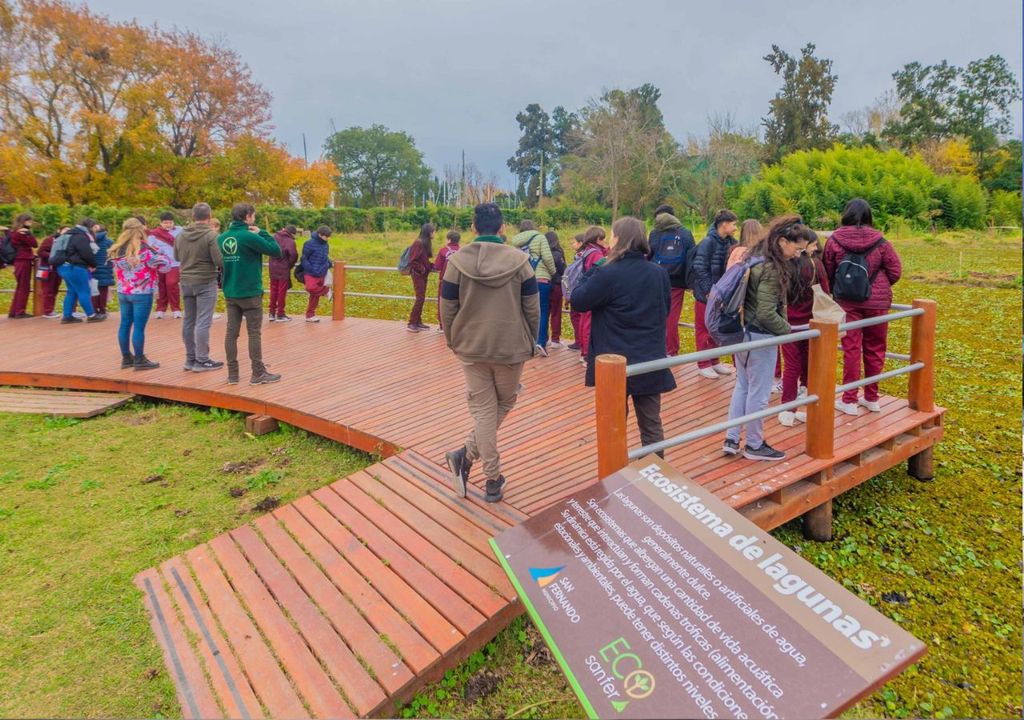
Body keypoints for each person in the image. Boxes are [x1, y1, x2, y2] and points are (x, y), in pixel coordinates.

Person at [441, 203, 540, 503]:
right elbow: (532, 308)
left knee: (486, 410)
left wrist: (452, 338)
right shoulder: (520, 261)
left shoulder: (456, 262)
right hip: (510, 348)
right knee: (504, 403)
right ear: (502, 228)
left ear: (473, 228)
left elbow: (448, 307)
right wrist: (530, 341)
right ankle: (493, 479)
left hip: (471, 346)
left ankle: (465, 455)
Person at [571, 216, 676, 453]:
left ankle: (615, 477)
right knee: (651, 424)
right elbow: (665, 309)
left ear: (618, 239)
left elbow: (578, 300)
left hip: (614, 362)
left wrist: (595, 268)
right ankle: (655, 473)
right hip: (650, 358)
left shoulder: (608, 273)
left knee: (614, 424)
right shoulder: (658, 273)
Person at [722, 216, 809, 461]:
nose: (798, 254)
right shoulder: (771, 268)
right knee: (759, 393)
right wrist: (787, 330)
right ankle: (754, 444)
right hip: (759, 335)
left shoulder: (753, 256)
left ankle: (731, 438)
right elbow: (766, 312)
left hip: (742, 331)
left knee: (743, 386)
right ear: (782, 241)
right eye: (796, 248)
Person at [823, 198, 903, 416]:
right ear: (869, 216)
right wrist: (879, 286)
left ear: (846, 214)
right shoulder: (882, 241)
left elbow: (827, 271)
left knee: (851, 349)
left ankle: (849, 400)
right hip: (877, 303)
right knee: (876, 348)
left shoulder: (834, 240)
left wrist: (839, 288)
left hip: (847, 303)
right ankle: (872, 398)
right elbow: (896, 270)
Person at [217, 203, 283, 385]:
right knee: (254, 333)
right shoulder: (248, 236)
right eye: (253, 216)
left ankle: (233, 374)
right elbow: (276, 251)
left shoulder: (222, 238)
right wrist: (261, 232)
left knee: (231, 333)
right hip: (250, 291)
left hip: (230, 290)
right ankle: (258, 373)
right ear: (248, 217)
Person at [779, 228, 829, 426]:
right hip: (812, 322)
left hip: (789, 323)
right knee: (810, 363)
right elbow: (825, 291)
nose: (817, 247)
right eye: (814, 244)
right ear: (806, 245)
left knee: (791, 365)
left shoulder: (785, 266)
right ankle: (807, 399)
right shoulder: (816, 265)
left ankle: (787, 409)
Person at [109, 218, 169, 369]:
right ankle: (140, 359)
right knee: (139, 327)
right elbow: (165, 265)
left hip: (123, 291)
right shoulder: (144, 249)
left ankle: (126, 358)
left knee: (124, 324)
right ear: (140, 230)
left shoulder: (117, 249)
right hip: (142, 292)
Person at [175, 202, 224, 372]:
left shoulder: (180, 235)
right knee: (203, 321)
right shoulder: (211, 236)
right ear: (209, 217)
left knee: (189, 320)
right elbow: (219, 261)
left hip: (186, 281)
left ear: (193, 217)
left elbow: (176, 256)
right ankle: (202, 360)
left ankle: (190, 358)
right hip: (205, 281)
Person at [692, 209, 739, 378]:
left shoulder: (731, 242)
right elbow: (699, 267)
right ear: (724, 224)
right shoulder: (707, 243)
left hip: (721, 294)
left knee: (715, 328)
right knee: (703, 329)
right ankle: (703, 363)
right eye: (733, 224)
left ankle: (714, 361)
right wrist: (708, 291)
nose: (735, 228)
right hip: (706, 295)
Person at [647, 204, 696, 356]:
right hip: (677, 282)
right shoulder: (685, 233)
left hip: (656, 279)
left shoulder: (655, 233)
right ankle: (671, 350)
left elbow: (648, 255)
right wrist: (691, 282)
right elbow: (692, 258)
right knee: (672, 317)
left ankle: (656, 348)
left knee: (655, 315)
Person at [510, 220, 557, 355]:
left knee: (522, 311)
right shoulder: (540, 237)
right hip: (540, 278)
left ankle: (523, 342)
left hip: (522, 280)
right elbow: (547, 258)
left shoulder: (515, 242)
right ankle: (540, 342)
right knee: (541, 311)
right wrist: (553, 272)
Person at [571, 225, 608, 364]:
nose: (605, 242)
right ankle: (587, 354)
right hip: (591, 290)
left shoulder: (586, 251)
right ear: (598, 239)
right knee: (588, 322)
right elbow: (599, 271)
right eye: (603, 239)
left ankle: (583, 350)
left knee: (583, 320)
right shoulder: (596, 254)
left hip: (582, 288)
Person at [57, 219, 103, 324]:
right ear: (89, 227)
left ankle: (67, 316)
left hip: (62, 266)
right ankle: (91, 315)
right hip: (75, 267)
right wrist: (93, 264)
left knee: (72, 292)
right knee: (84, 291)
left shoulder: (69, 234)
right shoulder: (81, 236)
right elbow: (86, 253)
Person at [149, 212, 181, 319]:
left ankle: (176, 309)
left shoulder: (180, 231)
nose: (168, 225)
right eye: (165, 223)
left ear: (173, 222)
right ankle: (160, 309)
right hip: (160, 264)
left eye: (170, 222)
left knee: (171, 284)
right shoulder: (154, 234)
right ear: (161, 223)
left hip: (175, 263)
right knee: (161, 285)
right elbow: (149, 246)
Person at [299, 225, 333, 323]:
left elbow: (325, 257)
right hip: (310, 272)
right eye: (326, 236)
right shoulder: (309, 244)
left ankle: (310, 315)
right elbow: (304, 258)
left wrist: (329, 263)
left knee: (314, 295)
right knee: (310, 288)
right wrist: (310, 269)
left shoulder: (326, 245)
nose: (328, 238)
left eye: (329, 236)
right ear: (320, 234)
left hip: (322, 271)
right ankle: (326, 291)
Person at [7, 213, 37, 318]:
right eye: (29, 221)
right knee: (24, 287)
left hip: (18, 261)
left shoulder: (13, 232)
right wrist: (29, 233)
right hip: (23, 261)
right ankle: (20, 311)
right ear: (24, 221)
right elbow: (34, 243)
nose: (31, 223)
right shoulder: (22, 233)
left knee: (20, 286)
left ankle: (13, 311)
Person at [406, 223, 434, 332]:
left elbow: (424, 260)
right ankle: (412, 323)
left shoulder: (425, 243)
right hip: (418, 275)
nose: (434, 233)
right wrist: (422, 269)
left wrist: (431, 266)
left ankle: (418, 322)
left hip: (423, 274)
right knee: (420, 298)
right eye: (433, 231)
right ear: (429, 232)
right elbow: (412, 260)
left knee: (421, 298)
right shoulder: (418, 243)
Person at [268, 224, 298, 322]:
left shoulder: (274, 237)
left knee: (273, 290)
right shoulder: (290, 241)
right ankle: (280, 314)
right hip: (283, 269)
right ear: (292, 233)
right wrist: (289, 265)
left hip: (272, 267)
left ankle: (271, 313)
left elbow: (268, 249)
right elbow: (293, 255)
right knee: (282, 291)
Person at [37, 226, 68, 318]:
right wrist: (53, 256)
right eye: (65, 230)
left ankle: (51, 309)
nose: (67, 232)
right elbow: (40, 251)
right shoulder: (50, 240)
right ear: (59, 230)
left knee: (55, 289)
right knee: (48, 289)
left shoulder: (66, 242)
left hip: (58, 268)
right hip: (47, 268)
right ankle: (47, 311)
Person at [433, 229, 461, 332]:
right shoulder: (462, 251)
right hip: (460, 281)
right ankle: (457, 326)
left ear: (448, 239)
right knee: (459, 303)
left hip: (445, 281)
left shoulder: (443, 251)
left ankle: (442, 326)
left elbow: (437, 266)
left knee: (443, 303)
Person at [545, 231, 567, 348]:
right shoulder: (558, 254)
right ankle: (555, 339)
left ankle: (543, 338)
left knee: (544, 312)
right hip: (556, 285)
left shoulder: (542, 253)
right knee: (556, 312)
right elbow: (564, 270)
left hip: (544, 284)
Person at [90, 223, 113, 319]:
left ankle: (94, 310)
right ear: (105, 232)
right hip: (105, 268)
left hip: (92, 268)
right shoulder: (108, 242)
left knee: (93, 290)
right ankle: (103, 310)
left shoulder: (90, 240)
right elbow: (112, 254)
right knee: (103, 290)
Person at [567, 233, 585, 351]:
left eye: (574, 242)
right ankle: (581, 342)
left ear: (580, 243)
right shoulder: (587, 254)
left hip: (577, 289)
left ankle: (579, 342)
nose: (572, 244)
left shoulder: (579, 256)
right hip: (583, 289)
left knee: (576, 316)